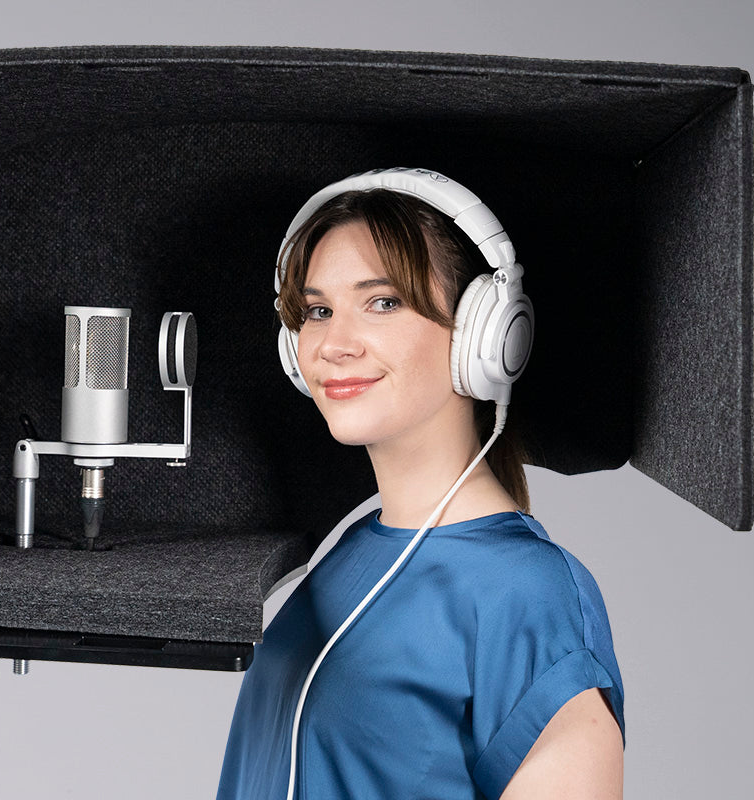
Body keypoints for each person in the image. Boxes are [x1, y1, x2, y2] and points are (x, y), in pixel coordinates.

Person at [216, 169, 625, 800]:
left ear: (486, 335)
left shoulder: (530, 594)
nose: (332, 344)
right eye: (318, 310)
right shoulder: (354, 551)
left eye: (383, 303)